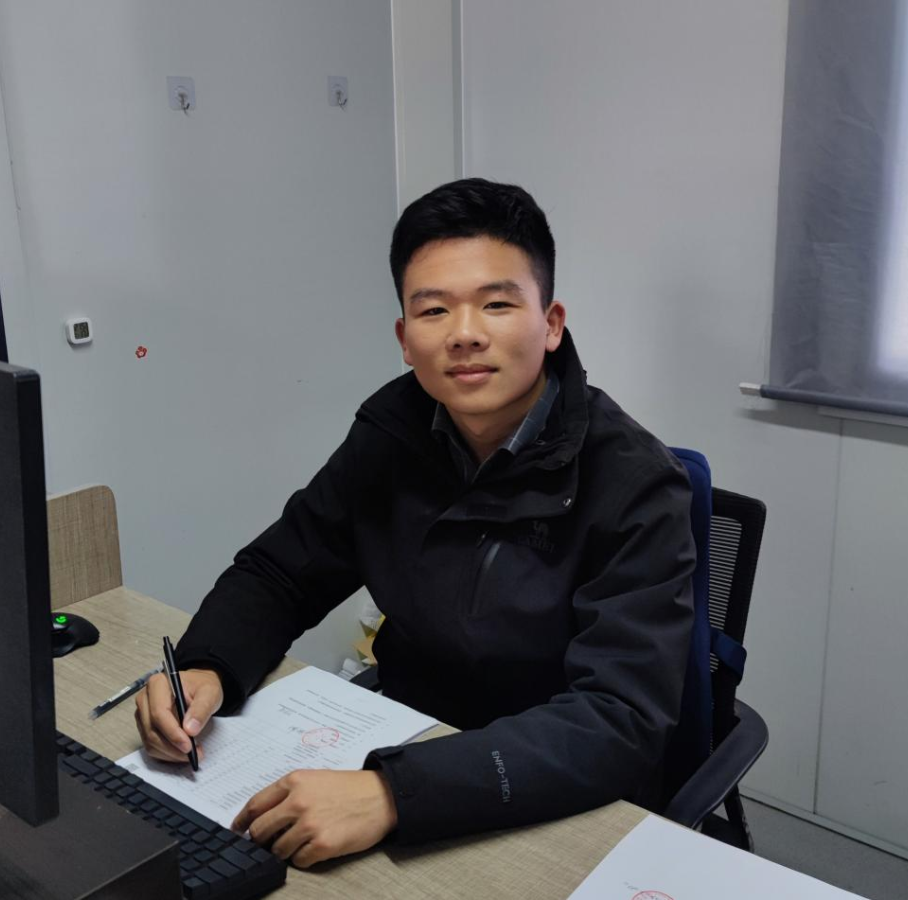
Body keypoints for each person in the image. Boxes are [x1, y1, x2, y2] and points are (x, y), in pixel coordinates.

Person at [134, 178, 695, 868]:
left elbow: (618, 719)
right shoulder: (393, 433)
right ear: (405, 338)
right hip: (406, 737)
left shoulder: (635, 482)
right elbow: (283, 571)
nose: (465, 334)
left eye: (497, 304)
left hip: (551, 788)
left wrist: (394, 794)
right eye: (433, 310)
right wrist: (207, 665)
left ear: (550, 324)